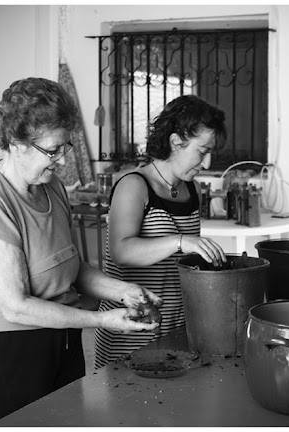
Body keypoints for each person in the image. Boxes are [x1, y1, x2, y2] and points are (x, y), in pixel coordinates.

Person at [0, 77, 161, 426]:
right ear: (16, 144)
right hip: (5, 347)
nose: (63, 161)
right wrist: (101, 320)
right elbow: (16, 306)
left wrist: (123, 292)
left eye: (66, 147)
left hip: (61, 335)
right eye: (54, 150)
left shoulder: (51, 186)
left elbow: (71, 267)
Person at [94, 95, 228, 368]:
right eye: (202, 151)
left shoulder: (193, 189)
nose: (207, 163)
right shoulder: (134, 185)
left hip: (176, 328)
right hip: (130, 329)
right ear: (176, 142)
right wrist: (181, 242)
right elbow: (121, 252)